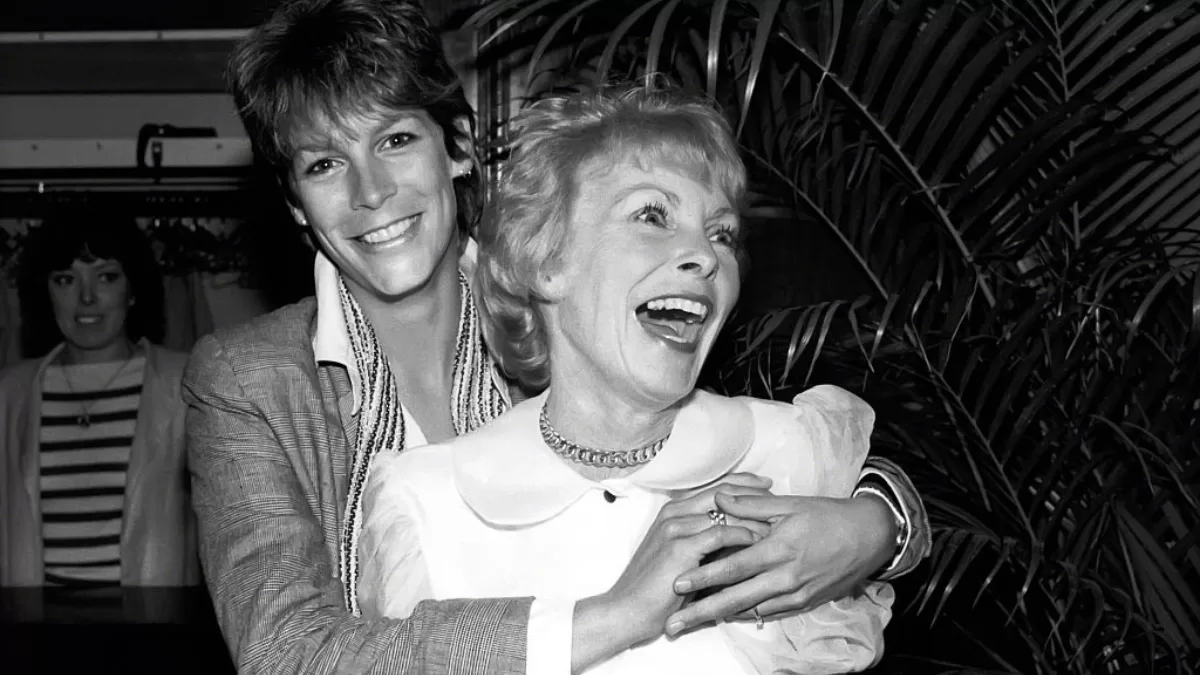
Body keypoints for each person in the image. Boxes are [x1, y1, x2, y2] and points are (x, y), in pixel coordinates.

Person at [183, 0, 930, 672]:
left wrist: (875, 525)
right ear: (294, 203)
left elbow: (757, 436)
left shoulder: (576, 302)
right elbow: (286, 652)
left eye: (396, 139)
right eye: (324, 163)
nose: (369, 191)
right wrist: (609, 615)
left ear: (459, 147)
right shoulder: (248, 380)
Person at [356, 84, 893, 674]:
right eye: (652, 216)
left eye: (722, 234)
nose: (707, 257)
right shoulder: (426, 506)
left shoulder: (792, 453)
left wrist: (885, 524)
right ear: (547, 261)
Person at [0, 211, 197, 592]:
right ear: (45, 291)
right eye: (65, 280)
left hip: (153, 637)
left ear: (133, 289)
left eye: (106, 277)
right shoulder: (9, 396)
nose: (86, 297)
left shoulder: (187, 386)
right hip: (34, 641)